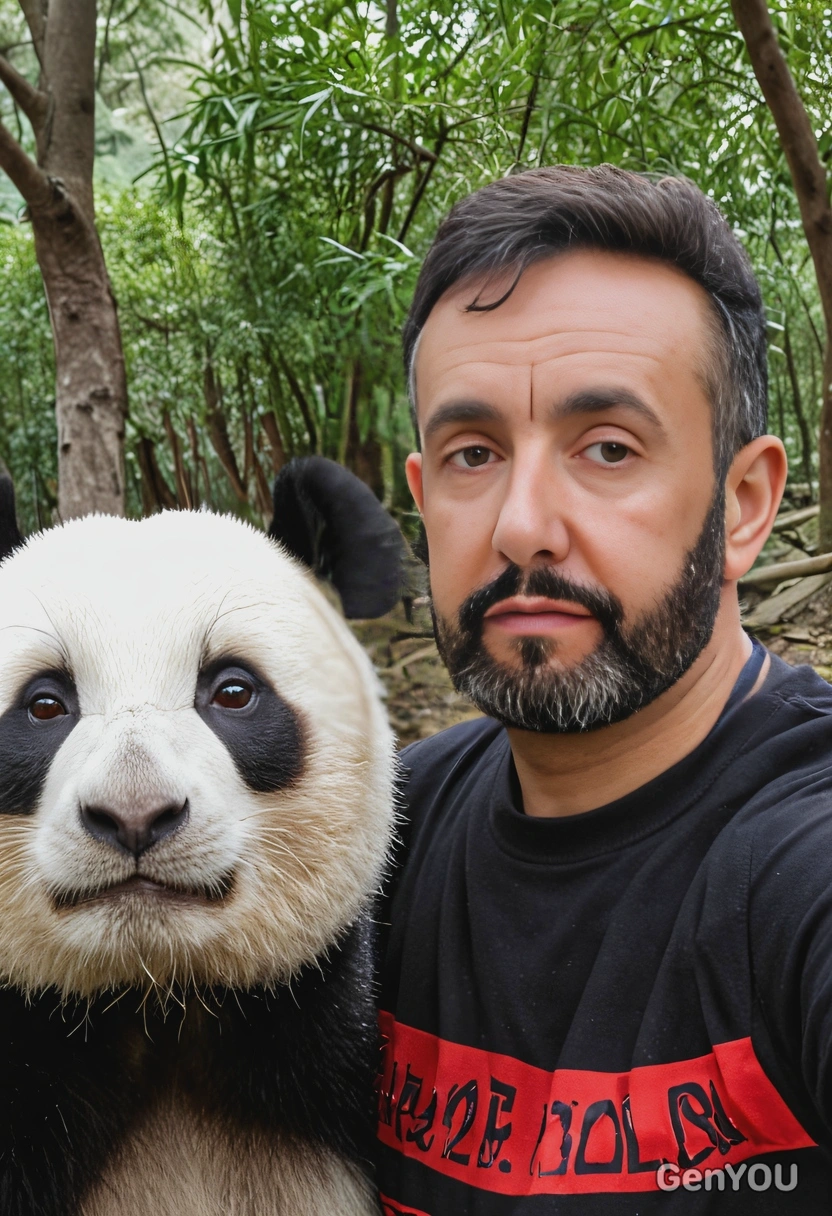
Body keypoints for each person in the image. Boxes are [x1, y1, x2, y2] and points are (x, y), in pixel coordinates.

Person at [375, 165, 832, 1214]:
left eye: (608, 448)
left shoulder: (795, 863)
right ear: (422, 500)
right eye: (473, 452)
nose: (520, 523)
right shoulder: (371, 841)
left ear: (745, 504)